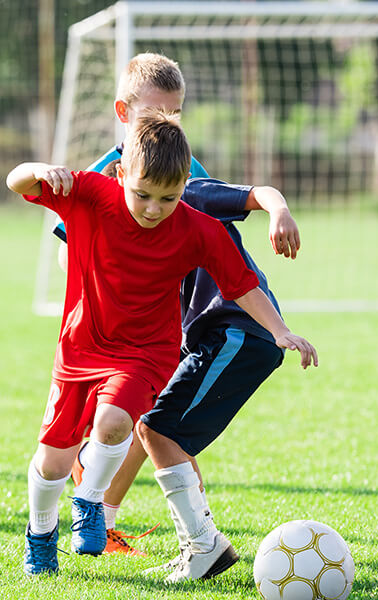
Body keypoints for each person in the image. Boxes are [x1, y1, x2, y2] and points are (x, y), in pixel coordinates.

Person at [7, 111, 317, 577]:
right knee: (52, 463)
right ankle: (40, 534)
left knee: (114, 424)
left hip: (145, 353)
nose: (154, 208)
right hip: (80, 347)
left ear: (184, 187)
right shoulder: (90, 195)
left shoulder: (198, 228)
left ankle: (90, 502)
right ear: (120, 175)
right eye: (143, 195)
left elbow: (242, 284)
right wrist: (36, 170)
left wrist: (279, 330)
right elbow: (17, 183)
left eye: (168, 199)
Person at [55, 52, 303, 557]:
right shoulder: (107, 178)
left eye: (176, 115)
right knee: (152, 424)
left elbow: (231, 213)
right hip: (152, 328)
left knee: (153, 425)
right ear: (124, 114)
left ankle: (181, 538)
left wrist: (277, 207)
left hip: (212, 323)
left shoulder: (182, 172)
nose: (168, 127)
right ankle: (177, 536)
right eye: (154, 116)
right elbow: (75, 254)